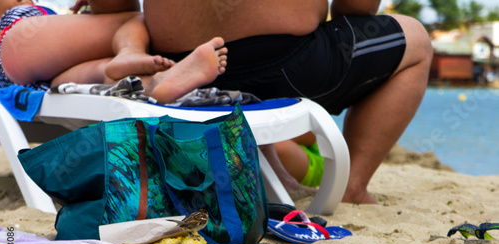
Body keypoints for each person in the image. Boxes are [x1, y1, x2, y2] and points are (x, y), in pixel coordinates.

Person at [127, 0, 432, 205]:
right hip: (288, 63)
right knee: (416, 40)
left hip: (177, 63)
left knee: (129, 30)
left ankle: (275, 175)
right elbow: (355, 6)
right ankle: (351, 188)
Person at [0, 1, 228, 104]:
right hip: (16, 42)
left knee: (104, 73)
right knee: (137, 21)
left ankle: (154, 83)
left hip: (44, 83)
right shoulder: (25, 14)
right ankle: (130, 50)